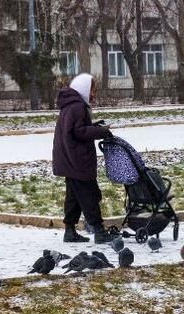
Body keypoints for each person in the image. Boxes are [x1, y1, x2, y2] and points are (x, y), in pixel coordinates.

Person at [52, 73, 115, 244]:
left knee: (74, 197)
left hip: (69, 159)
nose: (93, 94)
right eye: (92, 90)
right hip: (77, 160)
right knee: (89, 194)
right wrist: (101, 132)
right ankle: (99, 231)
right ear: (84, 89)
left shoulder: (70, 105)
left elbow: (77, 129)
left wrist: (94, 127)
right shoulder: (77, 106)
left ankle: (70, 231)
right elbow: (79, 132)